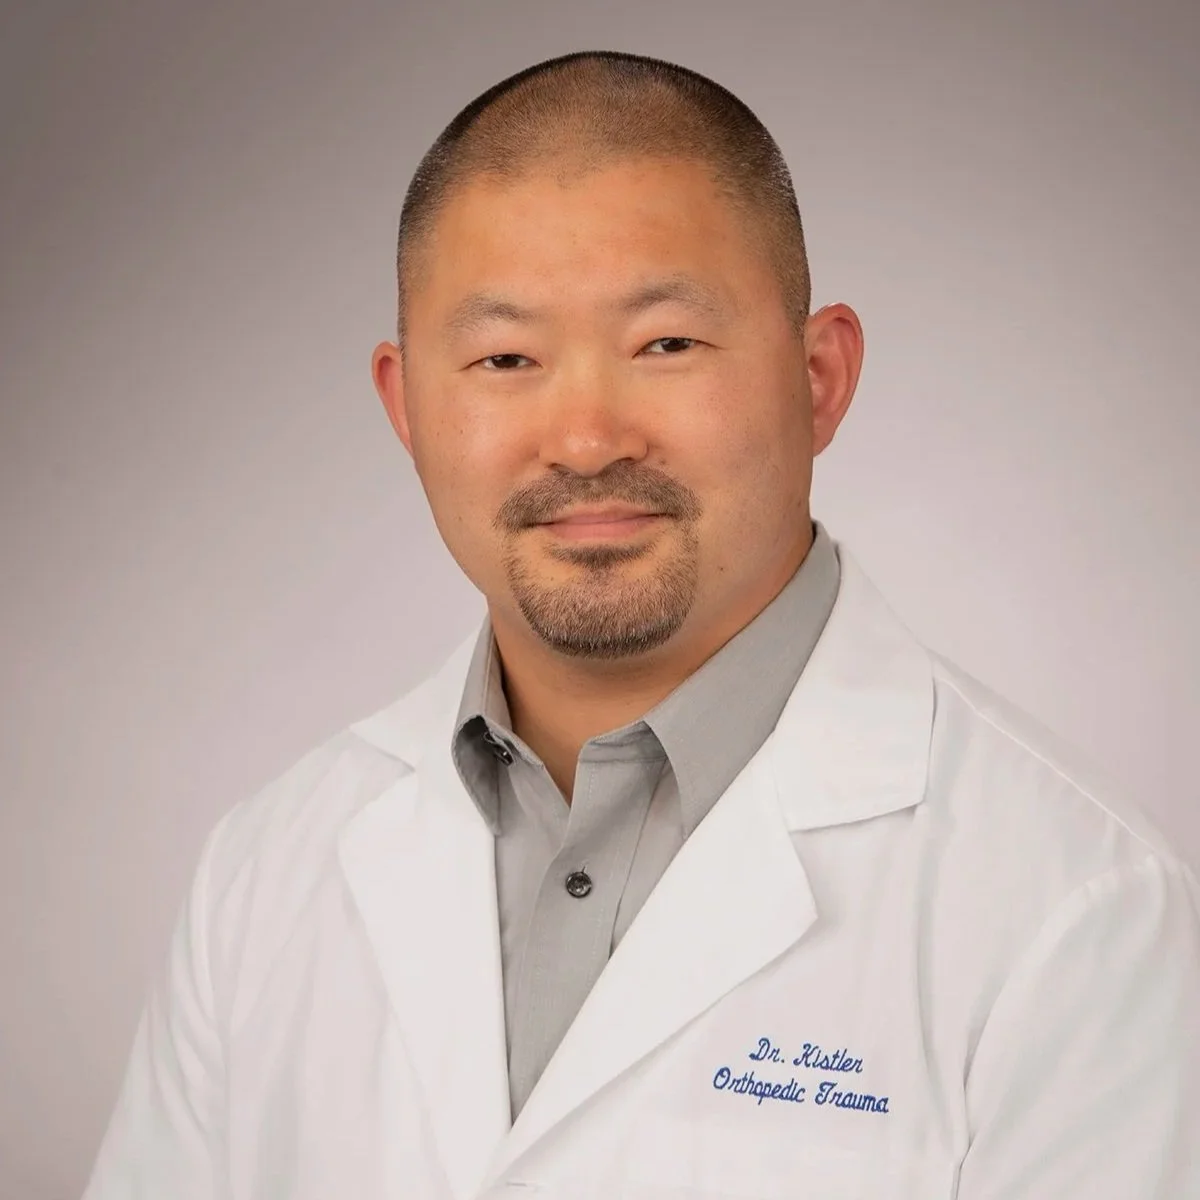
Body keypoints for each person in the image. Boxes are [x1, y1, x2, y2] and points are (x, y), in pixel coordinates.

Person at [82, 49, 1200, 1200]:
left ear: (819, 378)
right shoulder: (267, 869)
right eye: (505, 357)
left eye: (665, 343)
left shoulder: (1077, 911)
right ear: (407, 403)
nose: (582, 437)